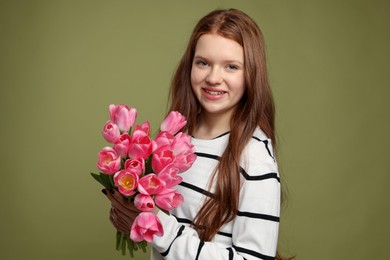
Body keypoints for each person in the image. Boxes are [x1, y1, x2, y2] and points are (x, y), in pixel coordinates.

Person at [104, 8, 287, 260]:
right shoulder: (178, 136)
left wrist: (158, 227)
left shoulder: (253, 157)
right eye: (203, 63)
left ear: (251, 75)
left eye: (231, 67)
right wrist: (130, 218)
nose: (213, 78)